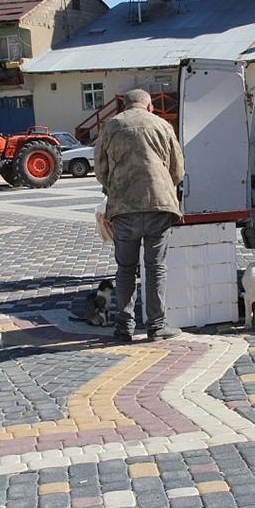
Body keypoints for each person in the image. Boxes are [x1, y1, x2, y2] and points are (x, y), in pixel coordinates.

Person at [94, 89, 185, 342]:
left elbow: (100, 170)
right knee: (156, 267)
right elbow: (177, 169)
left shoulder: (112, 126)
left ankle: (124, 328)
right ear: (149, 107)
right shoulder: (163, 125)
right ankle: (156, 327)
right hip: (159, 205)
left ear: (123, 106)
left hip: (124, 208)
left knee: (125, 269)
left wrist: (115, 187)